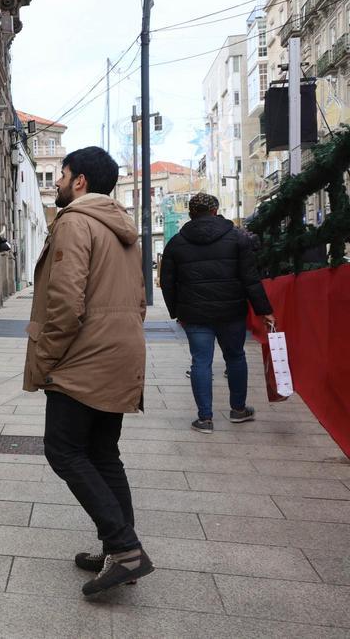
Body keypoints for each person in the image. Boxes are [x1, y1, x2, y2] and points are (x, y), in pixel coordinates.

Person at [24, 146, 154, 595]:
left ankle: (124, 548)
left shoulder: (75, 222)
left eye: (60, 175)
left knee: (64, 451)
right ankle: (119, 548)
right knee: (102, 454)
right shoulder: (122, 228)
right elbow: (140, 299)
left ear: (78, 181)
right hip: (119, 352)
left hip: (83, 357)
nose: (56, 182)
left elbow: (64, 304)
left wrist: (47, 361)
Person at [159, 193, 275, 434]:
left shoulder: (176, 243)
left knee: (201, 361)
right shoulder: (236, 238)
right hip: (231, 312)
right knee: (235, 357)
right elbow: (250, 279)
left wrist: (176, 312)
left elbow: (167, 282)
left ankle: (205, 419)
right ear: (215, 211)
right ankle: (238, 410)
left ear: (191, 214)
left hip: (194, 314)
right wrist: (264, 310)